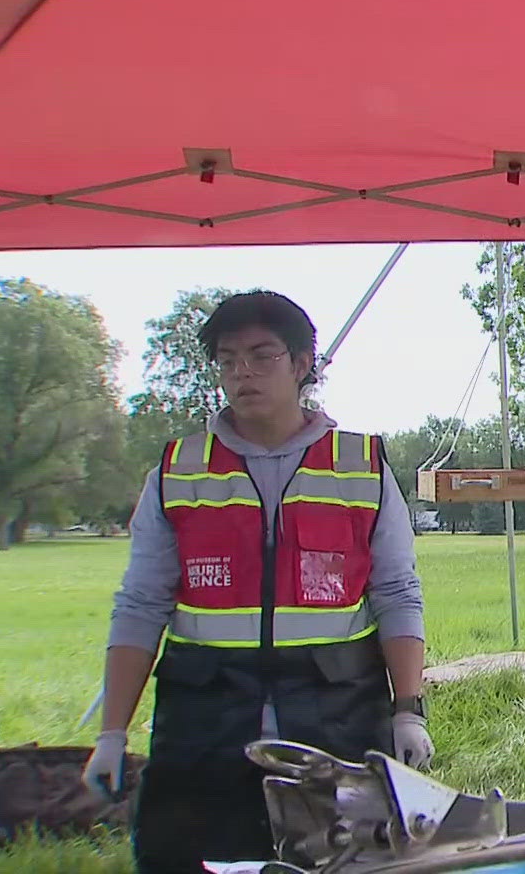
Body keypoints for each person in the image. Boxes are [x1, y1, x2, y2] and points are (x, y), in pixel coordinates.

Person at [83, 291, 432, 873]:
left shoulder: (361, 466)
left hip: (336, 719)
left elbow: (397, 593)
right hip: (205, 724)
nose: (241, 372)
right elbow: (140, 605)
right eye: (227, 360)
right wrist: (112, 733)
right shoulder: (178, 472)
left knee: (349, 864)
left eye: (261, 355)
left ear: (301, 365)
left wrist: (408, 711)